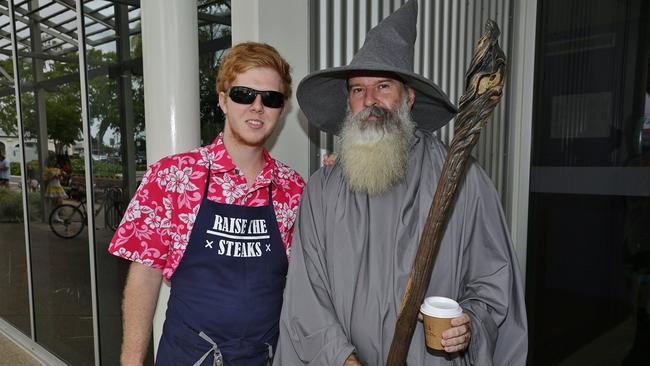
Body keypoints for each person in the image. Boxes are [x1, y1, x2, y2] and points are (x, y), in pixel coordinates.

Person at [273, 1, 527, 365]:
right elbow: (305, 297)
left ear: (408, 98)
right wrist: (345, 361)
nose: (370, 100)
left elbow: (493, 286)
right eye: (357, 90)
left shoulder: (462, 181)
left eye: (383, 86)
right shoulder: (322, 190)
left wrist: (468, 324)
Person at [108, 42, 305, 365]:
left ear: (281, 110)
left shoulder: (293, 188)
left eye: (271, 99)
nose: (257, 107)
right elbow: (145, 277)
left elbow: (309, 281)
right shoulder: (173, 177)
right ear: (223, 100)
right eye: (244, 94)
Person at [43, 155, 67, 220]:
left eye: (55, 160)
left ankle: (56, 215)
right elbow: (45, 180)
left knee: (60, 201)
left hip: (58, 186)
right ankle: (53, 216)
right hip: (51, 187)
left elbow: (61, 179)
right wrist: (53, 177)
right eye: (53, 160)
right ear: (49, 161)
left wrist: (60, 176)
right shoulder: (47, 169)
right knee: (53, 203)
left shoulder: (58, 169)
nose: (54, 161)